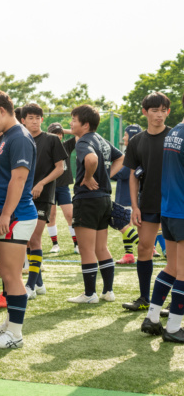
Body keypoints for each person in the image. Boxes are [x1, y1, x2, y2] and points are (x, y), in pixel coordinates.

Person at [0, 90, 37, 350]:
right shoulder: (6, 137)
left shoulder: (20, 137)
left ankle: (15, 333)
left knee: (12, 275)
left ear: (2, 110)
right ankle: (11, 324)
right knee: (7, 273)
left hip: (16, 216)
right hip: (8, 216)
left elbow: (19, 179)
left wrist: (4, 213)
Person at [67, 105, 124, 304]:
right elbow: (121, 158)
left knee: (87, 249)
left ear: (85, 124)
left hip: (87, 199)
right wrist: (105, 177)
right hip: (104, 199)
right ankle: (108, 291)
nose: (70, 123)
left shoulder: (83, 141)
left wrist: (90, 176)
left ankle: (89, 294)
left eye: (74, 120)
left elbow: (90, 159)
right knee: (101, 247)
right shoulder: (102, 140)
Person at [121, 93, 171, 312]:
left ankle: (174, 302)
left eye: (163, 110)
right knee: (144, 249)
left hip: (175, 204)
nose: (159, 115)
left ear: (168, 112)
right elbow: (133, 175)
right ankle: (144, 298)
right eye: (154, 110)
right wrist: (135, 206)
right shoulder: (136, 141)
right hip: (148, 203)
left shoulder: (175, 136)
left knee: (176, 255)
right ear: (145, 112)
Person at [140, 100, 184, 342]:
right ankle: (174, 328)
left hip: (168, 210)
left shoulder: (174, 131)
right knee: (182, 272)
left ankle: (153, 317)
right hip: (181, 211)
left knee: (173, 268)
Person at [20, 105, 67, 299]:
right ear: (23, 120)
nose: (35, 121)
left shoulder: (52, 140)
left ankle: (30, 286)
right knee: (26, 240)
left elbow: (60, 168)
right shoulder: (20, 140)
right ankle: (38, 282)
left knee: (34, 239)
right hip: (22, 196)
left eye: (38, 117)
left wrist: (41, 183)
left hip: (43, 196)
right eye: (30, 117)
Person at [45, 123, 79, 254]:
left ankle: (76, 244)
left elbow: (78, 134)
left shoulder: (66, 146)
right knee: (51, 215)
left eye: (59, 133)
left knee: (70, 215)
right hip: (50, 187)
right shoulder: (46, 147)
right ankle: (55, 244)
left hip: (63, 187)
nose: (58, 135)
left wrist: (62, 129)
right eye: (55, 133)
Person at [115, 125, 143, 264]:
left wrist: (107, 172)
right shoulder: (135, 151)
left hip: (127, 196)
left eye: (125, 135)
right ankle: (129, 255)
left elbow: (123, 174)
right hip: (125, 195)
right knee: (125, 224)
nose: (123, 137)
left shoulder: (132, 154)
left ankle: (144, 247)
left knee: (120, 224)